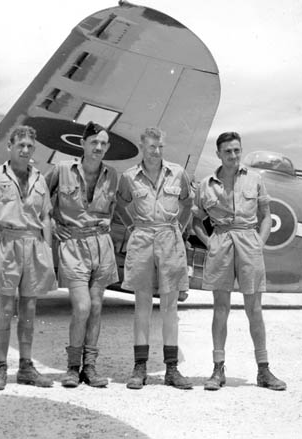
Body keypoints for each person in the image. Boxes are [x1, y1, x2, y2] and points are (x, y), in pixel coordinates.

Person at [192, 131, 286, 391]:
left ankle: (264, 370)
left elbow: (266, 214)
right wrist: (209, 241)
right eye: (228, 151)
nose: (233, 155)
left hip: (249, 241)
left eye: (237, 150)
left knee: (254, 309)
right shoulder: (206, 184)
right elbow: (197, 219)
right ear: (218, 154)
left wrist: (259, 241)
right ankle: (218, 369)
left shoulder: (255, 179)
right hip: (220, 242)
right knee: (220, 309)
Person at [0, 125, 57, 391]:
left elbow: (45, 216)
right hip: (5, 244)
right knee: (5, 309)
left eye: (30, 147)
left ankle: (26, 366)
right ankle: (0, 367)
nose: (25, 150)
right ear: (10, 146)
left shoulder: (39, 178)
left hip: (33, 245)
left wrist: (47, 250)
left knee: (29, 310)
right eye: (20, 145)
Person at [115, 127, 194, 390]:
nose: (156, 152)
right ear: (142, 147)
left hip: (170, 240)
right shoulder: (129, 177)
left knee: (170, 307)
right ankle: (140, 368)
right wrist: (132, 227)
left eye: (160, 147)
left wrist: (178, 230)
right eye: (151, 147)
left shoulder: (178, 174)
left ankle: (172, 369)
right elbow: (121, 204)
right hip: (142, 240)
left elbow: (187, 204)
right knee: (142, 306)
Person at [45, 121, 119, 388]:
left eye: (103, 143)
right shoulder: (62, 169)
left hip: (101, 245)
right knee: (83, 307)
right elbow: (39, 200)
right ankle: (72, 368)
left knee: (96, 308)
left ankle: (90, 368)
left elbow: (113, 208)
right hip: (73, 246)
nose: (98, 147)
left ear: (107, 147)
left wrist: (109, 221)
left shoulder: (113, 175)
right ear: (83, 144)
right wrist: (52, 224)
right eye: (94, 142)